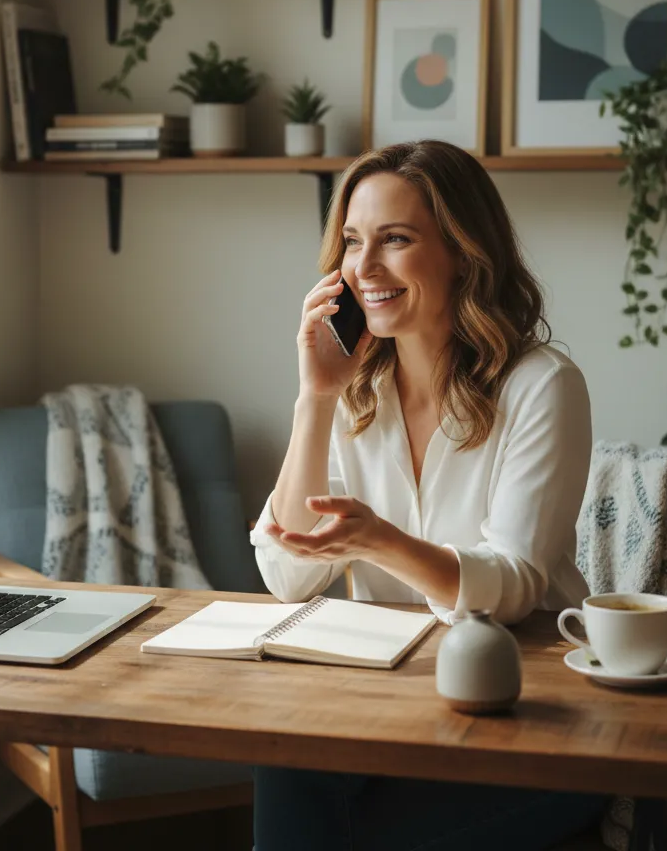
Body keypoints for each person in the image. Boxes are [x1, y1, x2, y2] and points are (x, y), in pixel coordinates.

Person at [249, 140, 606, 851]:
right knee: (286, 763)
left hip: (529, 722)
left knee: (342, 830)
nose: (364, 267)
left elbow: (512, 588)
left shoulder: (542, 386)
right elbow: (288, 574)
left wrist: (378, 539)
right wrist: (314, 396)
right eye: (352, 241)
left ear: (465, 254)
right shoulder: (356, 390)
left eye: (396, 240)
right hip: (392, 715)